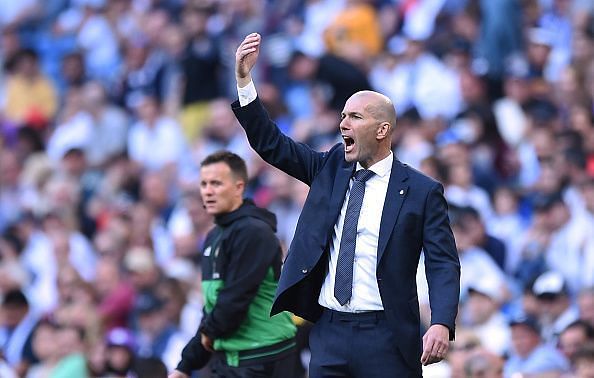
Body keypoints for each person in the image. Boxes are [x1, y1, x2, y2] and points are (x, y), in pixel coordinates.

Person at [231, 33, 461, 377]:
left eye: (355, 117)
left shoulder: (420, 191)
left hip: (388, 336)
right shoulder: (329, 168)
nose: (343, 124)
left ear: (382, 129)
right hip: (328, 332)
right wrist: (245, 81)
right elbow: (271, 143)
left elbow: (443, 262)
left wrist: (441, 322)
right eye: (342, 115)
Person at [169, 151, 297, 378]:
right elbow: (213, 307)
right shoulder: (213, 237)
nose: (208, 191)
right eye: (204, 184)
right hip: (232, 358)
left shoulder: (253, 233)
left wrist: (205, 337)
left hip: (264, 358)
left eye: (217, 183)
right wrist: (186, 364)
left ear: (239, 187)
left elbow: (234, 300)